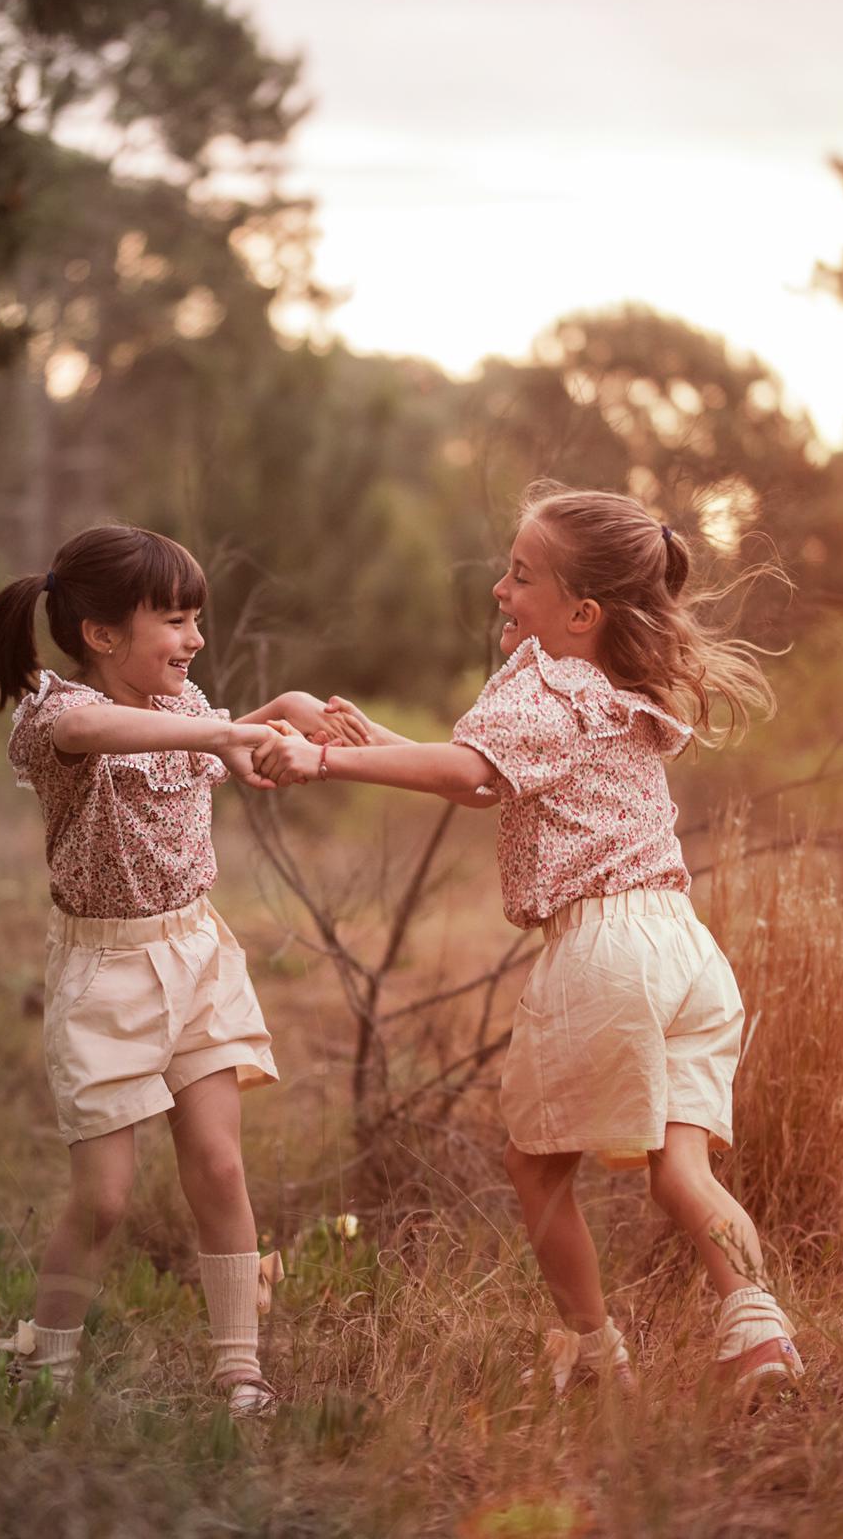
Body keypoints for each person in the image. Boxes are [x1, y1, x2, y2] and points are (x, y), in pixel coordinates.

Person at [255, 482, 804, 1403]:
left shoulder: (549, 681)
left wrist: (327, 758)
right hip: (682, 949)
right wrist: (368, 740)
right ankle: (759, 1333)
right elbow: (482, 785)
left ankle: (592, 1355)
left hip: (604, 953)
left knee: (534, 1168)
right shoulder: (613, 690)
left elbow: (475, 771)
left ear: (581, 612)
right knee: (681, 1174)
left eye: (520, 578)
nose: (501, 593)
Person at [0, 522, 367, 1416]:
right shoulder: (52, 716)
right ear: (103, 636)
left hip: (197, 955)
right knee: (105, 1200)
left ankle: (240, 1369)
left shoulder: (192, 713)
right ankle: (47, 1366)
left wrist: (282, 712)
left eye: (198, 620)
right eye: (176, 622)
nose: (195, 640)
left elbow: (225, 740)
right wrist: (230, 730)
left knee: (220, 1170)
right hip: (103, 977)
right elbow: (95, 727)